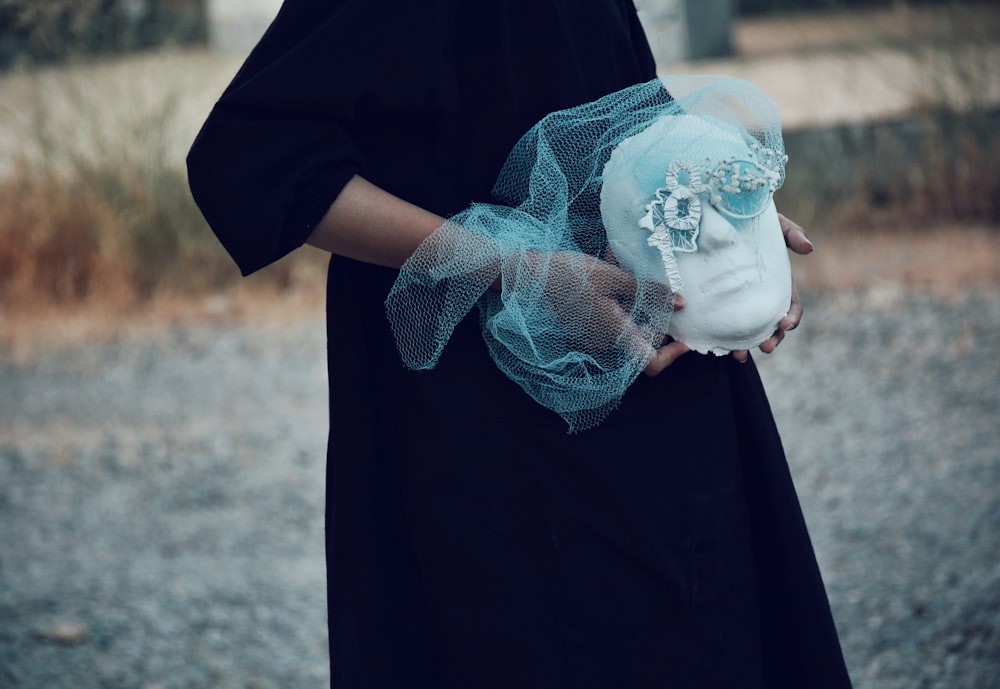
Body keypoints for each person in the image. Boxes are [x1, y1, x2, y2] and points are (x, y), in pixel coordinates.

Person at [187, 2, 853, 687]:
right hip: (485, 428)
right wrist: (515, 269)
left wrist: (735, 219)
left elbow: (617, 119)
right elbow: (247, 156)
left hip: (652, 389)